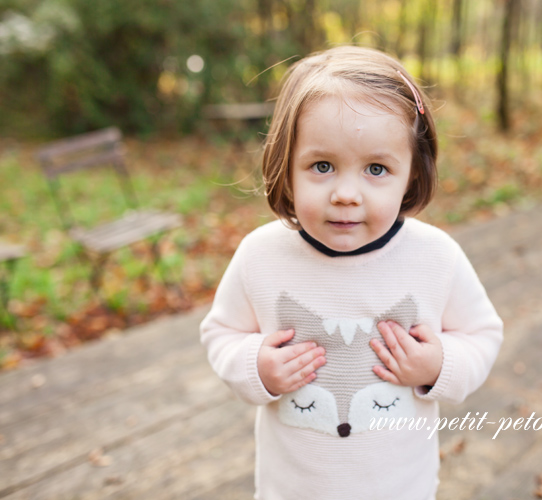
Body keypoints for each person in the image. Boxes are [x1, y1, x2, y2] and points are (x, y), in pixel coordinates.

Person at [200, 46, 503, 500]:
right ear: (286, 165)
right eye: (322, 166)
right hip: (292, 488)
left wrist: (439, 364)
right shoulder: (261, 257)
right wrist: (255, 365)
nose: (345, 193)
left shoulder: (434, 257)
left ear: (411, 176)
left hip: (400, 487)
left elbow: (482, 334)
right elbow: (221, 332)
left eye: (376, 169)